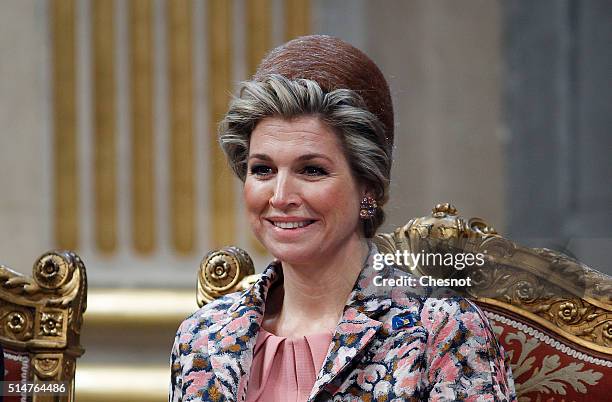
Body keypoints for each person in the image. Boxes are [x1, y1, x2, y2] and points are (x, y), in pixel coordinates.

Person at [170, 35, 516, 401]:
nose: (281, 197)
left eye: (312, 170)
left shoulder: (440, 330)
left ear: (368, 186)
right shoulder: (203, 338)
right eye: (263, 169)